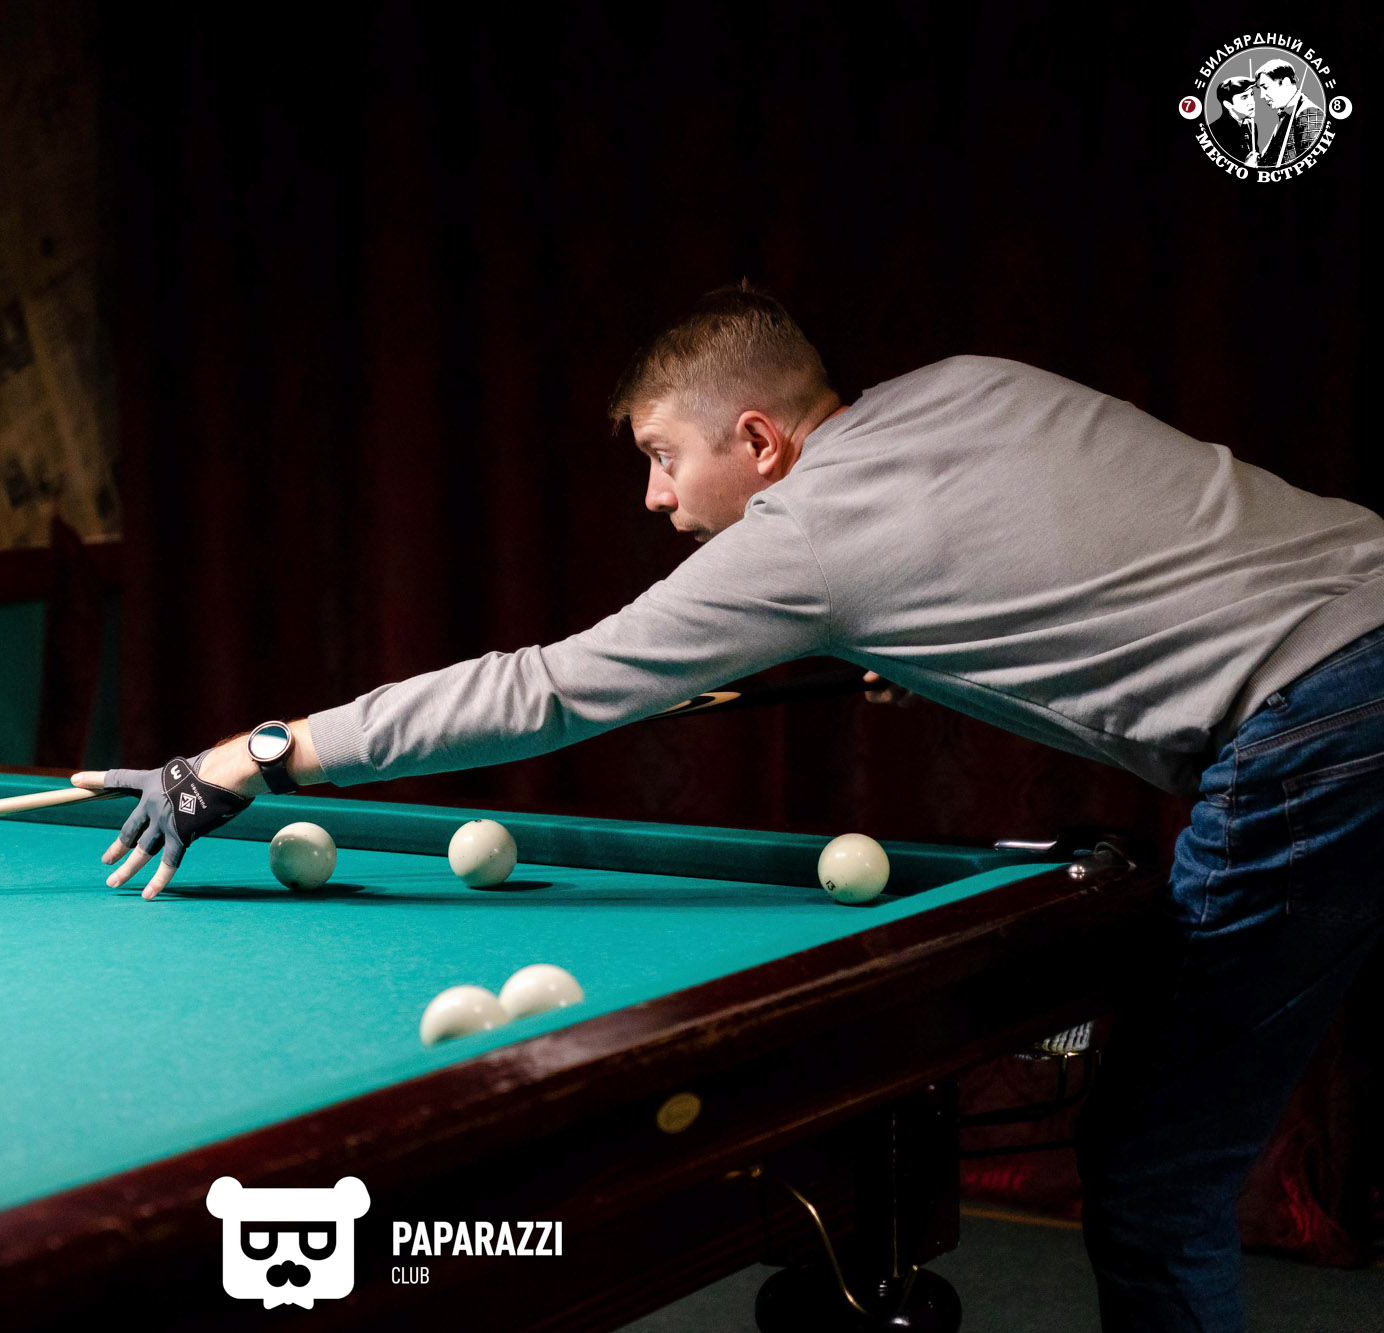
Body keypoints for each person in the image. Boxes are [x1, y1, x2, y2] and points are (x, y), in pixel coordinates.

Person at [72, 285, 1384, 1332]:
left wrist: (260, 753)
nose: (654, 497)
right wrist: (919, 644)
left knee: (1155, 1175)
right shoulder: (968, 382)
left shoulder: (798, 538)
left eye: (662, 457)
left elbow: (547, 689)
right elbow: (1085, 543)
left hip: (1323, 727)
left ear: (757, 441)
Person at [1254, 59, 1327, 166]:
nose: (1262, 95)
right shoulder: (1286, 113)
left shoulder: (1309, 113)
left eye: (1265, 87)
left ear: (1286, 83)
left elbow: (1311, 163)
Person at [1206, 74, 1261, 165]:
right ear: (1228, 104)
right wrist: (1245, 166)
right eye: (1244, 97)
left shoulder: (1251, 126)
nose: (1252, 102)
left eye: (1252, 94)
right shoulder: (1214, 132)